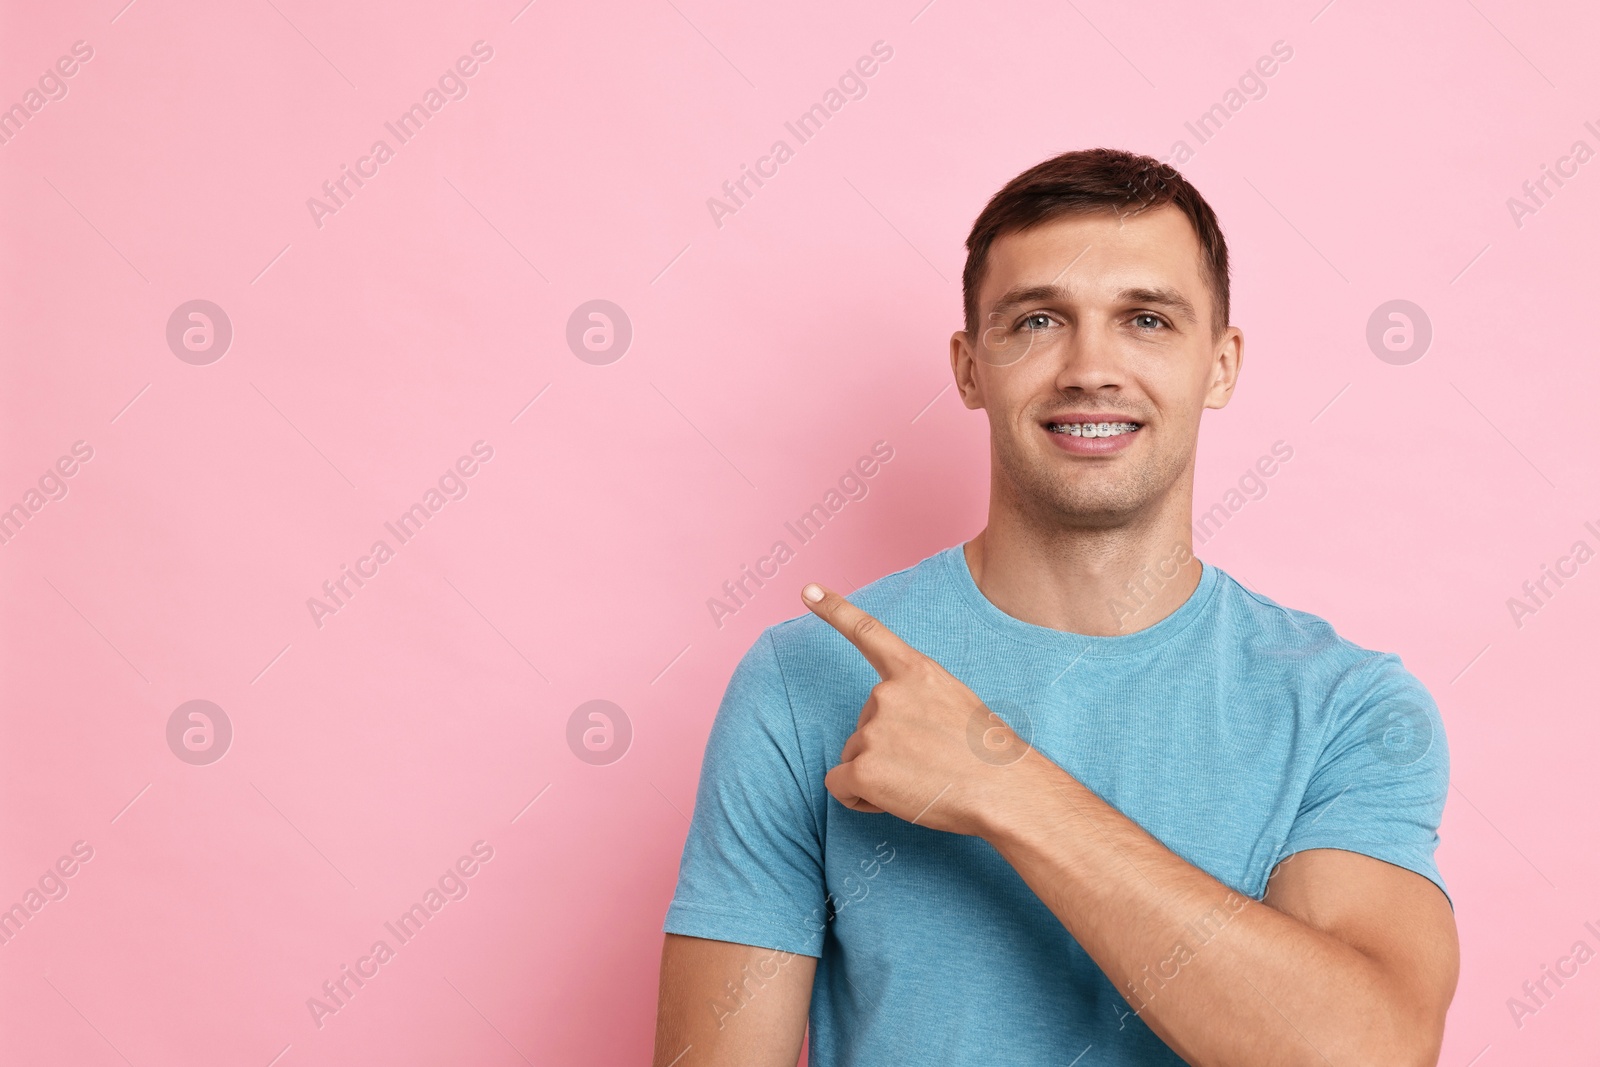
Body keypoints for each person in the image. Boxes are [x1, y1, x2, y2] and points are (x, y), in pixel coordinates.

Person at [651, 147, 1457, 1066]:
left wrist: (1002, 784)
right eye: (1038, 320)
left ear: (1222, 366)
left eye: (1146, 319)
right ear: (968, 368)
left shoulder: (1348, 707)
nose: (1090, 369)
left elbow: (1370, 1051)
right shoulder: (808, 676)